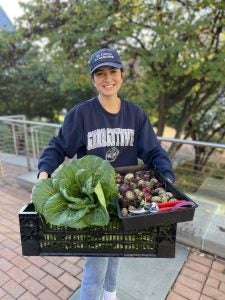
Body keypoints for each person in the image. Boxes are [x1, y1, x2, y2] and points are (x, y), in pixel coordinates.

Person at [37, 48, 175, 300]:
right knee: (95, 264)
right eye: (100, 73)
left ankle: (110, 293)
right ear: (93, 79)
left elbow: (153, 151)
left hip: (125, 202)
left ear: (121, 75)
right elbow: (58, 146)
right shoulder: (81, 114)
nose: (107, 78)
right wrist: (44, 171)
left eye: (112, 71)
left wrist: (167, 176)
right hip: (92, 203)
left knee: (118, 249)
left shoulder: (135, 114)